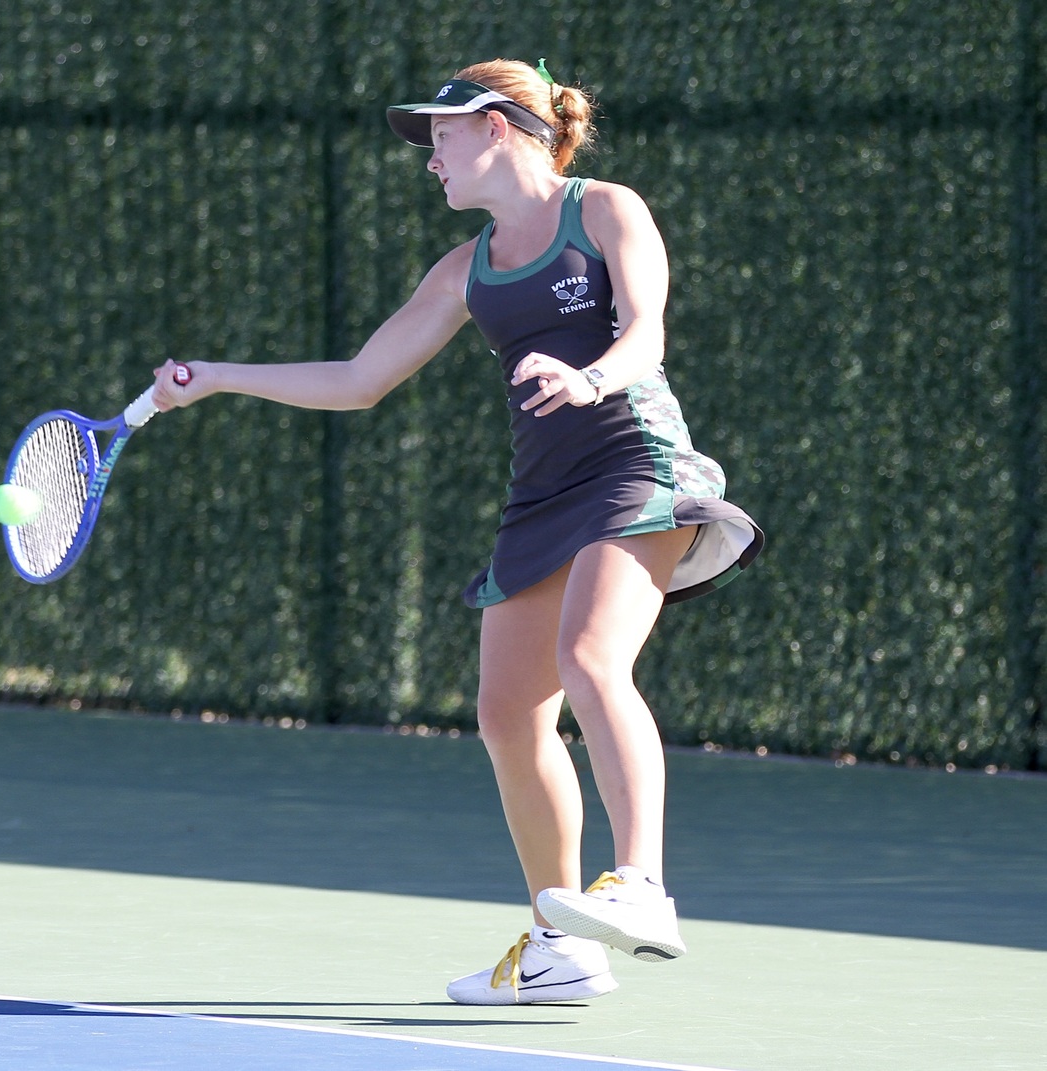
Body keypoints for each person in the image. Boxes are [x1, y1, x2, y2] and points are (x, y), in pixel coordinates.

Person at [150, 58, 763, 1005]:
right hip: (542, 496)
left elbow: (648, 332)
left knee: (594, 660)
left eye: (439, 136)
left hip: (635, 465)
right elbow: (360, 379)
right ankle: (560, 945)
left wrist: (592, 377)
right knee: (507, 713)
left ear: (495, 127)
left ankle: (642, 885)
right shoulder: (462, 271)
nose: (430, 159)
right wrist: (219, 375)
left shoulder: (603, 210)